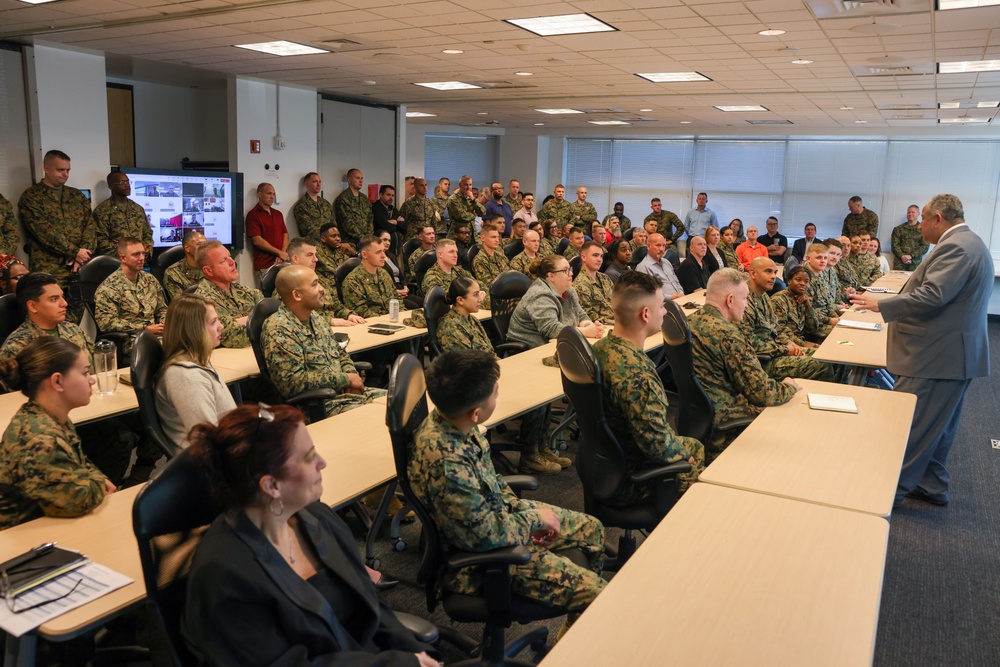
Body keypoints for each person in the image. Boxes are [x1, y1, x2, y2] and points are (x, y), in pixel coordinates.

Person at [183, 404, 440, 666]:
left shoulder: (317, 516)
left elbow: (371, 605)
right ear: (271, 485)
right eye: (308, 457)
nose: (322, 463)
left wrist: (417, 653)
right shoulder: (225, 574)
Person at [407, 349, 607, 638]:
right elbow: (487, 537)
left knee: (593, 530)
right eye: (495, 394)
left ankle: (573, 633)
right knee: (601, 595)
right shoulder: (448, 463)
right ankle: (575, 646)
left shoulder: (458, 423)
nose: (497, 396)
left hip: (499, 523)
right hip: (481, 562)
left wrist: (524, 515)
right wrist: (533, 522)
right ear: (476, 412)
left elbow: (494, 483)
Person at [850, 194, 992, 509]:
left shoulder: (956, 246)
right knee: (937, 428)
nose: (920, 228)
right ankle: (931, 484)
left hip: (937, 356)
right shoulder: (969, 243)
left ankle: (889, 492)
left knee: (909, 427)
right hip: (951, 354)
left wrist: (880, 304)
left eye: (924, 220)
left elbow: (932, 295)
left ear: (937, 218)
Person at [592, 271, 705, 502]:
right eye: (662, 306)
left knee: (693, 445)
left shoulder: (599, 349)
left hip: (602, 463)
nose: (665, 311)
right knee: (699, 474)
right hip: (634, 477)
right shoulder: (638, 374)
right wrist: (683, 457)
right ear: (645, 314)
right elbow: (658, 447)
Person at [0, 337, 114, 529]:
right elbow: (81, 501)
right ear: (58, 381)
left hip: (48, 527)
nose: (92, 380)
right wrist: (97, 483)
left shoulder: (49, 415)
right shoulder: (41, 439)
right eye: (85, 373)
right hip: (23, 542)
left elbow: (80, 461)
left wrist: (97, 477)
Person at [689, 268, 800, 460]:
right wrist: (789, 387)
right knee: (795, 421)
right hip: (728, 420)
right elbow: (762, 393)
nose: (747, 305)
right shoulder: (728, 335)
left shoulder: (691, 321)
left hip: (700, 416)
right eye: (745, 299)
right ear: (730, 300)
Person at [508, 255, 602, 474]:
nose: (571, 274)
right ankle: (530, 455)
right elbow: (551, 329)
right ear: (550, 276)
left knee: (549, 397)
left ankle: (542, 447)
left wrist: (589, 326)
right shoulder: (540, 294)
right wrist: (584, 332)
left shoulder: (568, 291)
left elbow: (581, 315)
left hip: (550, 351)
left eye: (570, 270)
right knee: (539, 399)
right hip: (526, 353)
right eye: (565, 271)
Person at [262, 265, 385, 419]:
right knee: (380, 416)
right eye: (314, 285)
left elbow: (339, 352)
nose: (322, 289)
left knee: (400, 400)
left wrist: (351, 374)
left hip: (343, 394)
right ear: (297, 295)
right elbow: (294, 383)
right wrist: (344, 380)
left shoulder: (316, 318)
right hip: (317, 405)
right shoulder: (279, 328)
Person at [18, 149, 96, 323]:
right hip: (49, 270)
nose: (65, 174)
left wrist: (82, 256)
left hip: (77, 270)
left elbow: (90, 227)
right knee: (48, 321)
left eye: (68, 170)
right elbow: (43, 232)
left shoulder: (76, 196)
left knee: (73, 322)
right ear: (46, 168)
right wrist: (74, 251)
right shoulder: (32, 197)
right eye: (60, 170)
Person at [155, 293, 237, 448]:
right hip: (212, 465)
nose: (221, 326)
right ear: (194, 330)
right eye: (213, 322)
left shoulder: (199, 362)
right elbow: (207, 440)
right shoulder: (185, 377)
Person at [741, 258, 832, 381]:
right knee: (822, 365)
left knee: (827, 357)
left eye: (775, 272)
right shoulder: (744, 301)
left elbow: (777, 330)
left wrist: (792, 345)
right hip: (761, 361)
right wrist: (785, 349)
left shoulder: (764, 298)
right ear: (752, 274)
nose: (774, 277)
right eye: (768, 272)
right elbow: (748, 343)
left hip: (776, 350)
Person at [1, 272, 93, 366]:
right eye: (54, 299)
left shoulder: (73, 329)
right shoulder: (16, 347)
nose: (64, 303)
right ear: (33, 306)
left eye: (63, 297)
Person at [95, 236, 168, 354]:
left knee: (185, 341)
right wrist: (144, 329)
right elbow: (107, 322)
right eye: (136, 255)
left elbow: (162, 309)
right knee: (166, 349)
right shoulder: (109, 287)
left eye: (143, 254)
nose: (142, 258)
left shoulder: (150, 280)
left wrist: (165, 325)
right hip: (129, 340)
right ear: (123, 258)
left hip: (156, 335)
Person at [194, 241, 263, 348]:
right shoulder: (204, 300)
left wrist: (241, 321)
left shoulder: (247, 292)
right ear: (208, 271)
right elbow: (234, 337)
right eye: (223, 261)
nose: (232, 262)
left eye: (230, 257)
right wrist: (257, 320)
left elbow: (273, 319)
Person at [286, 236, 364, 326]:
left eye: (315, 255)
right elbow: (293, 319)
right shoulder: (287, 286)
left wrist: (348, 315)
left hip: (336, 327)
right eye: (310, 255)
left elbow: (335, 304)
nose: (316, 259)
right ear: (295, 258)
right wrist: (330, 321)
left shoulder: (320, 279)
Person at [94, 171, 152, 257]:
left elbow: (147, 233)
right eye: (122, 182)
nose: (127, 185)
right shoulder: (102, 211)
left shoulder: (137, 209)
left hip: (139, 261)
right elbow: (101, 242)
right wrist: (126, 254)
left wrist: (144, 250)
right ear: (111, 186)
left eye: (128, 181)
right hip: (116, 264)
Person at [342, 235, 402, 318]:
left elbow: (397, 299)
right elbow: (360, 312)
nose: (383, 256)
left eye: (383, 251)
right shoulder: (353, 281)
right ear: (364, 255)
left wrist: (402, 316)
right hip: (372, 325)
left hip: (392, 321)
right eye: (378, 252)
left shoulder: (383, 273)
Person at [436, 276, 493, 354]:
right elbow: (467, 363)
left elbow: (490, 351)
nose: (480, 299)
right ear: (460, 300)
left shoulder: (472, 319)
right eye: (476, 295)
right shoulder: (452, 328)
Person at [246, 182, 290, 284]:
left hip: (281, 263)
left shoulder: (278, 214)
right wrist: (279, 253)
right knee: (268, 298)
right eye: (269, 194)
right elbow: (257, 241)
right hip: (265, 266)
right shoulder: (253, 215)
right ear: (260, 194)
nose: (272, 197)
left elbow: (285, 234)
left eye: (273, 194)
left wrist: (282, 254)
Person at [770, 266, 822, 347]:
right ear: (789, 281)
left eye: (806, 281)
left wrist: (808, 307)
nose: (802, 283)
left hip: (801, 340)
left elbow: (812, 328)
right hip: (787, 344)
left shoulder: (804, 298)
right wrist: (804, 344)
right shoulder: (779, 300)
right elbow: (780, 331)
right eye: (798, 280)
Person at [801, 242, 840, 337]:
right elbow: (807, 311)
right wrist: (830, 320)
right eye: (819, 257)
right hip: (814, 324)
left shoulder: (821, 275)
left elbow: (827, 304)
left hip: (826, 318)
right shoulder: (804, 280)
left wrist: (836, 317)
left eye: (825, 258)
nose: (823, 261)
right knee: (844, 334)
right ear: (808, 259)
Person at [573, 241, 614, 323]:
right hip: (603, 327)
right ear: (583, 257)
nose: (599, 259)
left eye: (601, 256)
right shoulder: (580, 285)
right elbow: (588, 317)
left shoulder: (604, 278)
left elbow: (617, 300)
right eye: (595, 255)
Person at [471, 222, 509, 309]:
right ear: (483, 238)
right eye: (493, 237)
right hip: (496, 298)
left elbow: (509, 274)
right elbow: (488, 286)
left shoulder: (501, 255)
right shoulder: (480, 260)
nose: (497, 240)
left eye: (497, 237)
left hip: (509, 293)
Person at [334, 168, 374, 248]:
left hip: (367, 242)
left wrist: (368, 237)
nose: (361, 181)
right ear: (349, 180)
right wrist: (363, 238)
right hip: (351, 243)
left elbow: (370, 218)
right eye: (357, 178)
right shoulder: (343, 198)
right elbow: (347, 223)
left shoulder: (364, 198)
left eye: (362, 178)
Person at [636, 233, 683, 300]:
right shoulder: (643, 267)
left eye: (663, 246)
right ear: (648, 246)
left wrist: (681, 293)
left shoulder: (667, 262)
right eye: (658, 245)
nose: (661, 249)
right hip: (662, 304)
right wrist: (671, 297)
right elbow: (648, 293)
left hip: (679, 299)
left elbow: (676, 282)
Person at [163, 230, 207, 301]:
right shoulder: (173, 273)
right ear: (187, 248)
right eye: (199, 244)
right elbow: (181, 304)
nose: (205, 248)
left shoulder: (212, 267)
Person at [290, 172, 333, 242]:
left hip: (331, 243)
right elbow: (307, 231)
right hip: (313, 245)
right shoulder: (301, 205)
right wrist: (328, 238)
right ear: (307, 184)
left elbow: (334, 224)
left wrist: (334, 238)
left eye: (319, 182)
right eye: (314, 182)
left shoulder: (326, 203)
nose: (318, 185)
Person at [398, 177, 438, 244]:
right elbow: (402, 223)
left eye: (426, 185)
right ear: (415, 187)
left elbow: (434, 223)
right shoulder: (408, 204)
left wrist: (434, 237)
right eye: (421, 185)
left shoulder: (430, 203)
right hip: (413, 239)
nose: (424, 187)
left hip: (428, 239)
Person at [891, 204, 929, 271]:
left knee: (914, 281)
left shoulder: (924, 229)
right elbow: (894, 245)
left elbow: (924, 247)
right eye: (909, 212)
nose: (910, 214)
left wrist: (911, 256)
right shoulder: (898, 229)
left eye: (913, 212)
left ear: (918, 214)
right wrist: (902, 256)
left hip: (915, 264)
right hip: (900, 263)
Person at [315, 223, 353, 287]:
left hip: (345, 285)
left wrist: (353, 253)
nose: (338, 239)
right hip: (329, 288)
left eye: (339, 236)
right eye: (333, 236)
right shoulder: (316, 252)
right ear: (323, 239)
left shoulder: (340, 251)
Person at [372, 184, 403, 255]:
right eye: (388, 195)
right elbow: (386, 227)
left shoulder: (393, 209)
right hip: (381, 248)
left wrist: (395, 222)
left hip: (395, 250)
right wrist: (398, 224)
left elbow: (405, 228)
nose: (391, 198)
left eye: (392, 195)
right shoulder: (375, 208)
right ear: (381, 195)